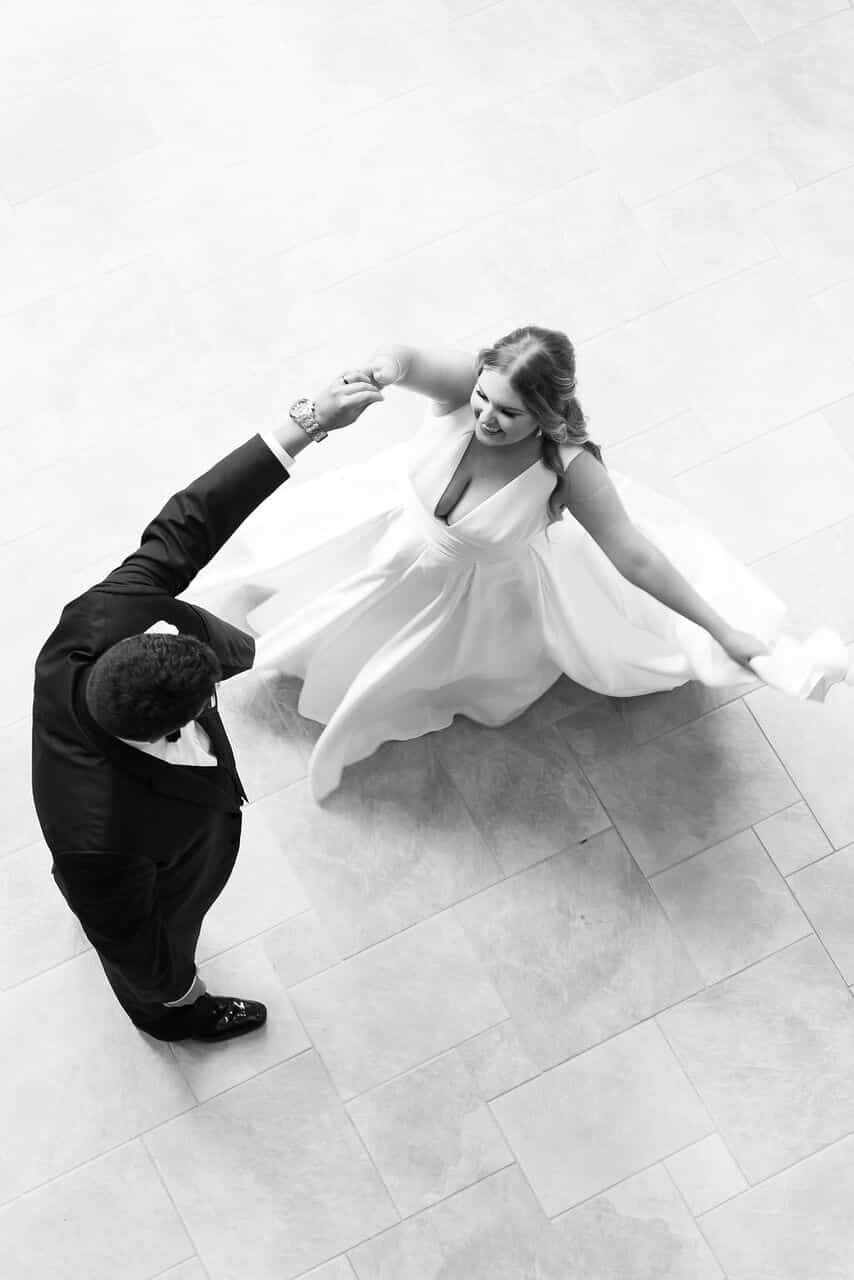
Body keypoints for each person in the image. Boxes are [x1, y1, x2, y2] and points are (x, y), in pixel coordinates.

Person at [188, 326, 853, 803]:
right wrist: (385, 368)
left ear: (545, 414)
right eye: (481, 399)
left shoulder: (568, 467)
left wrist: (721, 627)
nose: (485, 417)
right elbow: (408, 355)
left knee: (391, 669)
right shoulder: (465, 393)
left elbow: (636, 555)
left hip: (455, 596)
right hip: (374, 538)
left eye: (508, 412)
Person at [31, 372, 384, 1042]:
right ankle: (173, 1023)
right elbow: (135, 950)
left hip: (124, 852)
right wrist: (173, 992)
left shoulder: (101, 618)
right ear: (175, 724)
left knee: (113, 909)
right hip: (145, 873)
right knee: (146, 940)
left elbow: (189, 521)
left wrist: (307, 422)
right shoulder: (99, 839)